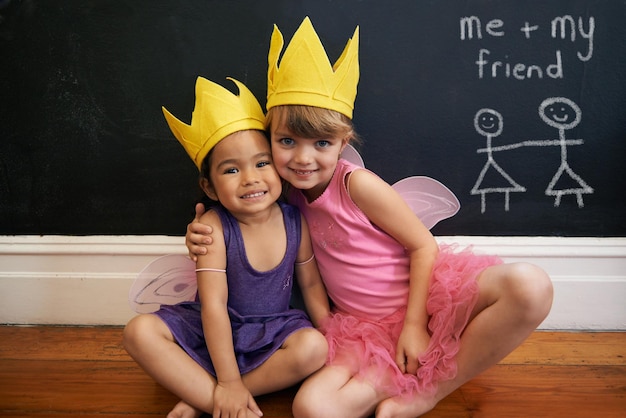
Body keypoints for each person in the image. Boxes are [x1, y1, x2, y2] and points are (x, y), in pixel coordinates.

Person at [185, 17, 554, 418]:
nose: (303, 158)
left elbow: (422, 244)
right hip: (364, 330)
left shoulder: (356, 185)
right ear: (269, 138)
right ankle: (410, 368)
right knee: (313, 409)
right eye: (287, 141)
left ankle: (432, 390)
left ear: (343, 143)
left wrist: (415, 324)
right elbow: (240, 215)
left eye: (321, 143)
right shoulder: (281, 190)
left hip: (425, 300)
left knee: (530, 286)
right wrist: (201, 230)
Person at [123, 76, 330, 418]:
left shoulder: (295, 221)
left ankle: (202, 395)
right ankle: (225, 398)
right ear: (210, 187)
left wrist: (333, 334)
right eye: (231, 169)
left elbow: (309, 283)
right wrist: (228, 379)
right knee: (139, 332)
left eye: (262, 163)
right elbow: (214, 307)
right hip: (214, 329)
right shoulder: (214, 228)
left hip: (272, 329)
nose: (250, 178)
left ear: (277, 166)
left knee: (314, 349)